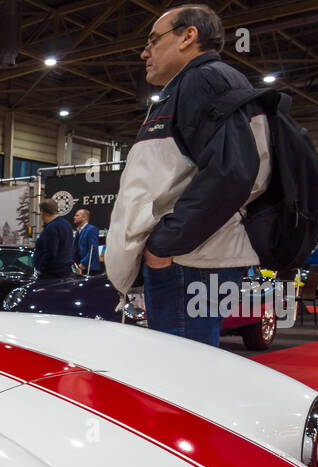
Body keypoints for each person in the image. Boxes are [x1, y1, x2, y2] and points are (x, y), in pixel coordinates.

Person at [106, 4, 271, 346]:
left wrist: (165, 244)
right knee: (187, 364)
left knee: (180, 371)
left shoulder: (204, 79)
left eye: (154, 40)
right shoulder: (201, 82)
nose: (144, 52)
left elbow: (232, 172)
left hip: (189, 259)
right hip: (192, 257)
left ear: (188, 36)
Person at [33, 198, 74, 279]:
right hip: (65, 271)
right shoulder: (66, 224)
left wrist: (41, 268)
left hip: (52, 274)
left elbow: (51, 252)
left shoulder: (51, 227)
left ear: (43, 212)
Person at [72, 208, 102, 274]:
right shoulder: (78, 231)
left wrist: (84, 263)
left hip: (89, 268)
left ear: (84, 217)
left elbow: (93, 248)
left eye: (77, 215)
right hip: (78, 267)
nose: (74, 217)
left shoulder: (91, 229)